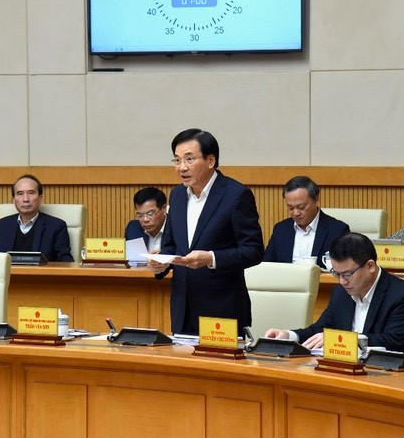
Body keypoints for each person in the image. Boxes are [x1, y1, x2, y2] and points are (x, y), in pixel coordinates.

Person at [148, 128, 264, 335]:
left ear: (211, 161)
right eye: (177, 160)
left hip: (222, 309)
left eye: (189, 159)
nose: (182, 167)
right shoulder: (176, 196)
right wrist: (161, 262)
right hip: (182, 309)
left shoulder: (236, 195)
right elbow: (171, 246)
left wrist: (211, 258)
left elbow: (253, 250)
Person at [264, 232, 404, 353]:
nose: (342, 281)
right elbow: (320, 330)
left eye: (347, 274)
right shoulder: (340, 293)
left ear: (370, 266)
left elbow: (393, 341)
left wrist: (344, 341)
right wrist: (289, 336)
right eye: (336, 274)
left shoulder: (403, 295)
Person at [263, 176, 349, 268]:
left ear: (316, 200)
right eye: (290, 208)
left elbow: (345, 269)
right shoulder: (281, 229)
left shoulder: (338, 230)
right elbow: (266, 266)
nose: (295, 213)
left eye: (301, 207)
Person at [0, 174, 73, 262]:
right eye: (20, 194)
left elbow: (66, 262)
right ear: (14, 199)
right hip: (9, 275)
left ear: (40, 198)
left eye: (31, 193)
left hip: (42, 275)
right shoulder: (2, 226)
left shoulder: (56, 226)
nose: (26, 199)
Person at [124, 187, 168, 253]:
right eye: (140, 215)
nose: (145, 220)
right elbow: (130, 260)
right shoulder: (133, 229)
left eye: (150, 214)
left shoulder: (176, 228)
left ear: (164, 209)